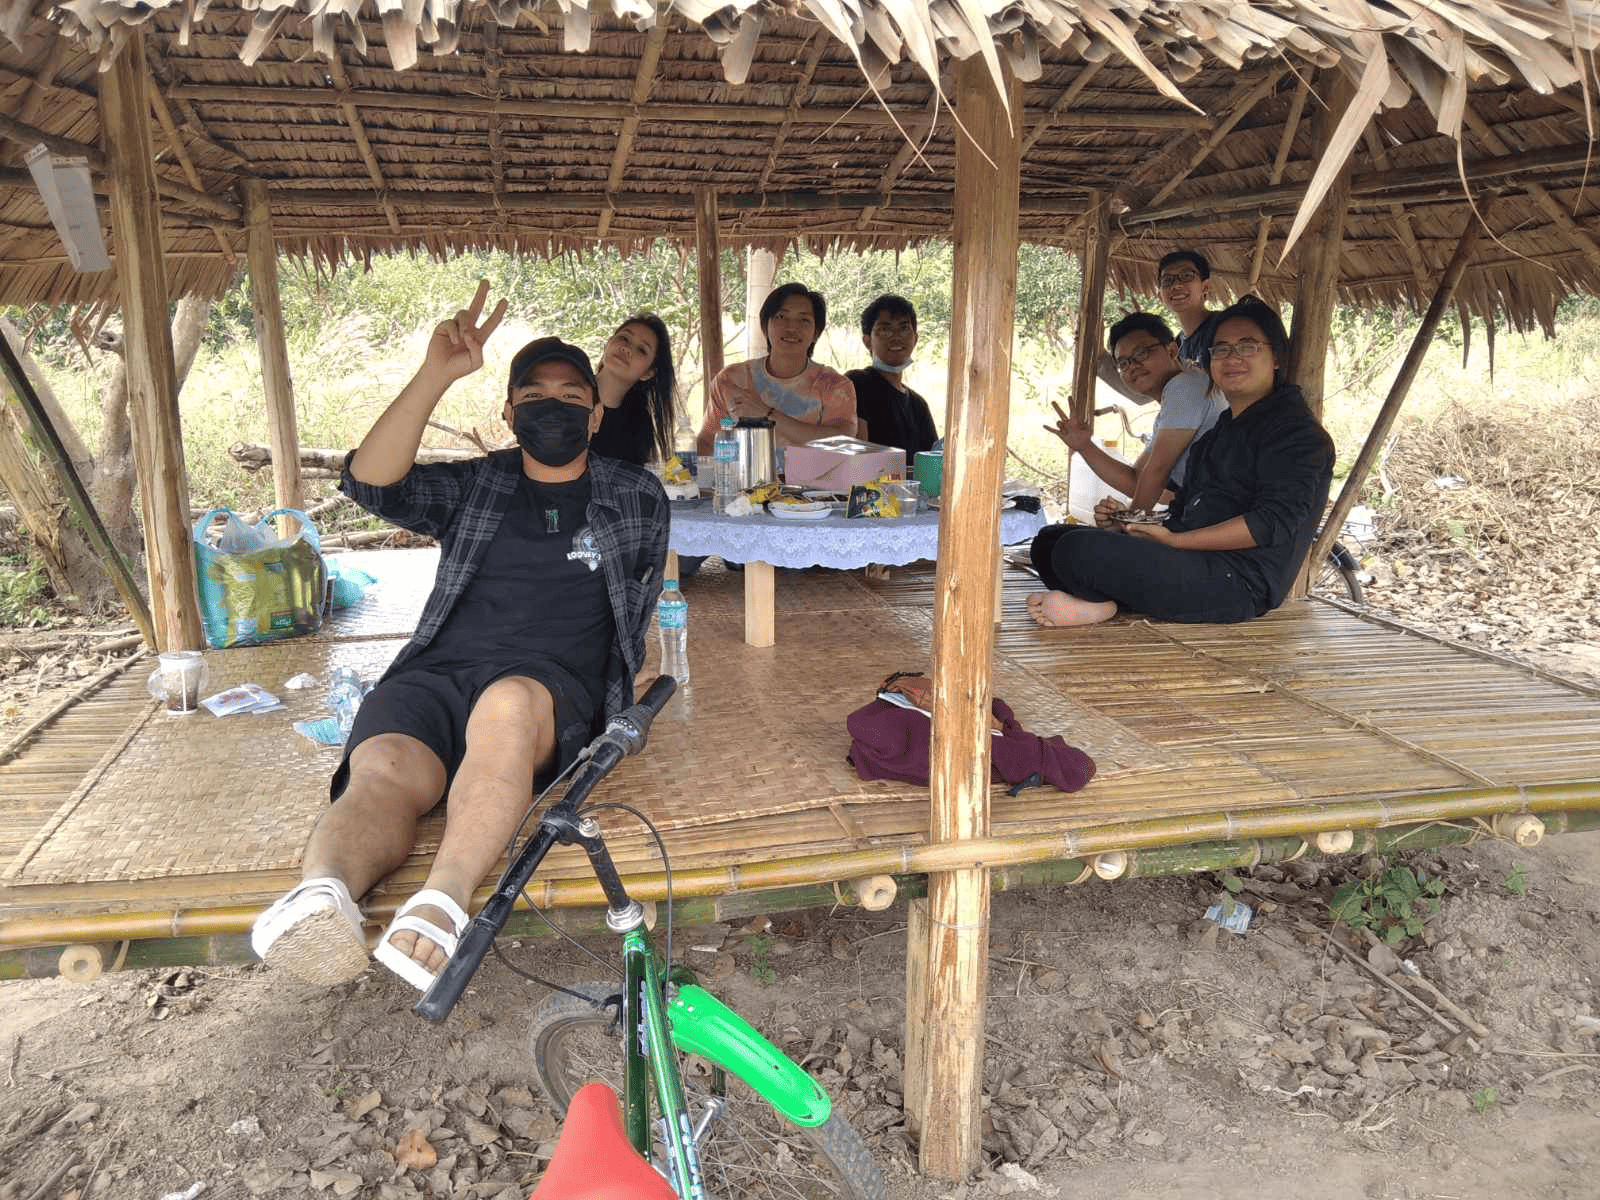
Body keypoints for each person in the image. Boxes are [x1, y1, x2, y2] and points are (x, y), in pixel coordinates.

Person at [249, 282, 669, 991]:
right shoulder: (479, 483)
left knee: (507, 707)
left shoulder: (635, 495)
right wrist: (435, 373)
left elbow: (641, 598)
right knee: (383, 764)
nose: (553, 406)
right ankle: (324, 895)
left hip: (546, 689)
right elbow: (372, 483)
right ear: (509, 413)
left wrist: (624, 684)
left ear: (597, 415)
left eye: (572, 396)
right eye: (534, 395)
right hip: (440, 671)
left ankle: (443, 897)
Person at [1025, 296, 1333, 628]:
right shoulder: (1221, 432)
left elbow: (1270, 523)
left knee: (1076, 551)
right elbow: (1181, 509)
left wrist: (1174, 540)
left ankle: (1102, 602)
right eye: (1221, 349)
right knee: (1048, 541)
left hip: (1239, 581)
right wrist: (1131, 528)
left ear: (1276, 358)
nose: (1232, 358)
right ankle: (1105, 600)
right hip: (1192, 557)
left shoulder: (1296, 433)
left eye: (1247, 347)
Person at [1047, 312, 1223, 514]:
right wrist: (1084, 446)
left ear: (1172, 350)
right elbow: (1138, 481)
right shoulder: (1181, 390)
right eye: (1123, 363)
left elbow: (1156, 472)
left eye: (1141, 354)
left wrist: (1130, 522)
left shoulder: (1185, 387)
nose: (1132, 367)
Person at [694, 282, 856, 456]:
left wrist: (767, 415)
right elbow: (708, 438)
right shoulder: (731, 380)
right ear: (765, 326)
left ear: (816, 333)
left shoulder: (834, 385)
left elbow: (841, 442)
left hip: (812, 474)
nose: (791, 327)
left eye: (804, 320)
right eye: (781, 316)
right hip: (744, 473)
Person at [846, 294, 938, 465]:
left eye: (904, 329)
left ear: (915, 339)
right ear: (867, 341)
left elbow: (932, 463)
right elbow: (857, 456)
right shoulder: (857, 383)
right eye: (885, 329)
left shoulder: (918, 405)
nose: (896, 337)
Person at [586, 314, 677, 467]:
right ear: (608, 343)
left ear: (648, 373)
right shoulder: (567, 395)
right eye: (624, 338)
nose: (627, 348)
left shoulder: (639, 425)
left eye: (641, 350)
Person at [1158, 249, 1223, 369]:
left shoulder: (1223, 326)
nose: (1176, 285)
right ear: (1160, 295)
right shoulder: (1176, 347)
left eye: (1186, 276)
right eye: (1167, 280)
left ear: (1205, 287)